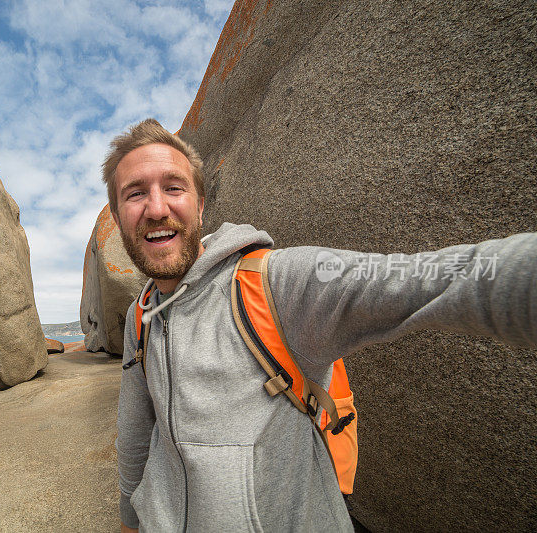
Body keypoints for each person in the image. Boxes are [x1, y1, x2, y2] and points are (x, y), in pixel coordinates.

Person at [105, 118, 537, 533]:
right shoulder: (140, 316)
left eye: (173, 188)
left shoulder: (278, 282)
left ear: (200, 205)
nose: (156, 208)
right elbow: (137, 429)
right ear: (118, 214)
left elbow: (426, 280)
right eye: (135, 194)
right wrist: (131, 518)